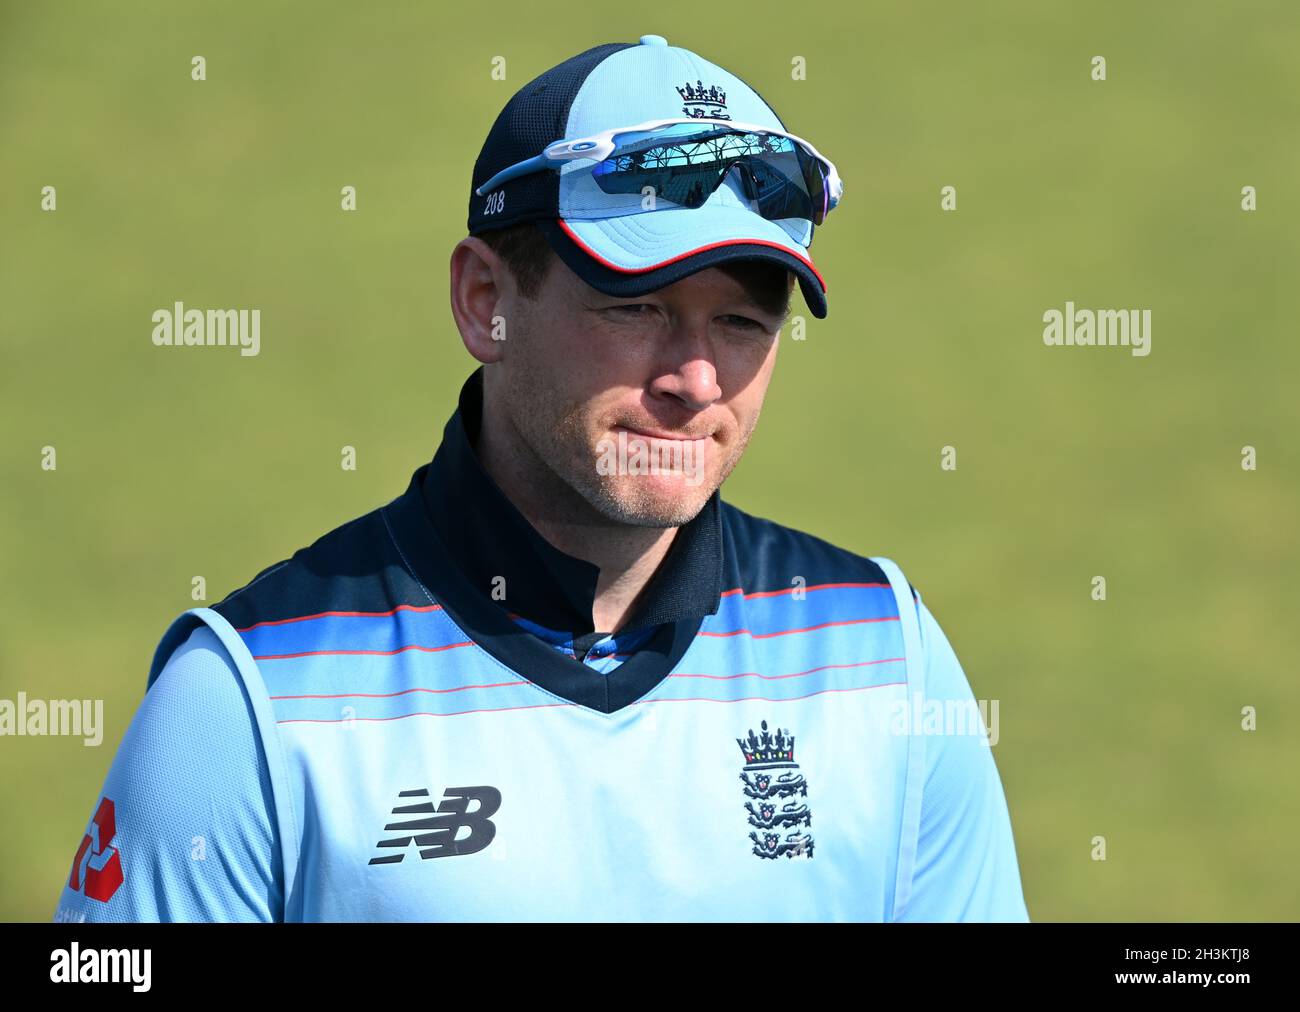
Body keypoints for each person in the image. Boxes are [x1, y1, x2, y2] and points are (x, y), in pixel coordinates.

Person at [54, 33, 1028, 922]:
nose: (694, 379)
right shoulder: (252, 701)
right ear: (486, 302)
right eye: (634, 307)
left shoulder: (886, 660)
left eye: (742, 321)